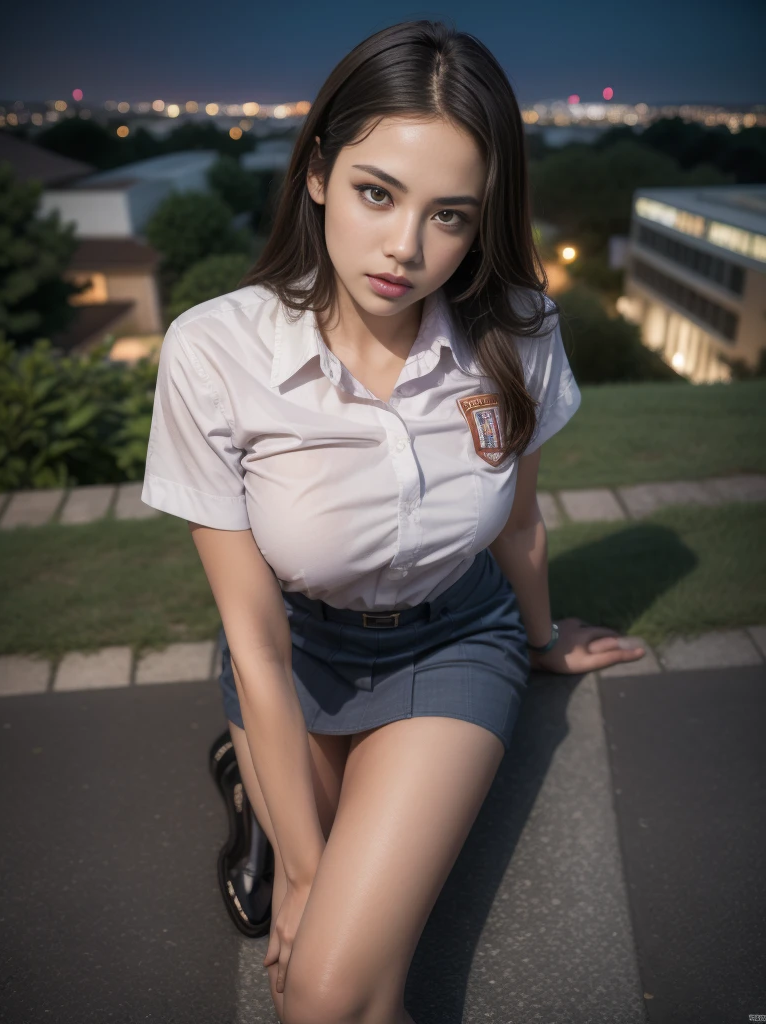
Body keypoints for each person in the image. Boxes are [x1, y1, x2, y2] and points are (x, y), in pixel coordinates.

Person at [141, 19, 647, 1023]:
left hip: (454, 641)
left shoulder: (519, 330)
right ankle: (261, 802)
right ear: (320, 171)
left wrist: (541, 641)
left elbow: (520, 525)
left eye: (450, 215)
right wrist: (301, 873)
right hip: (295, 653)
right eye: (379, 192)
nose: (406, 249)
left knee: (324, 992)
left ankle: (271, 805)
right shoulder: (213, 353)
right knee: (302, 907)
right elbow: (253, 636)